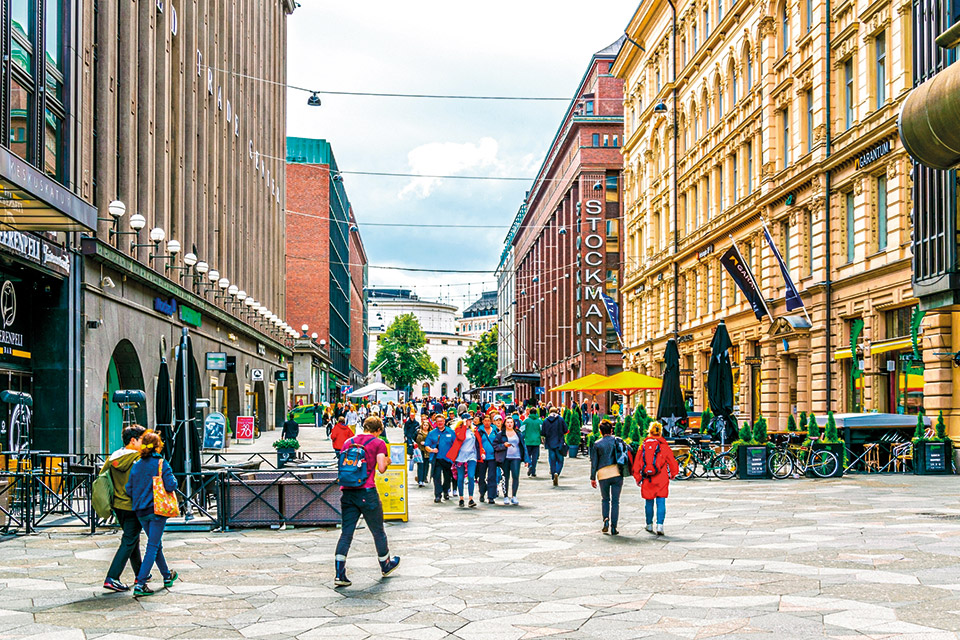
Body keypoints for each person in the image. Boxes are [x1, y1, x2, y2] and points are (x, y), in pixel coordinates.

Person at [334, 416, 400, 587]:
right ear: (378, 430)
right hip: (367, 491)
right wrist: (387, 461)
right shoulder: (378, 443)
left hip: (347, 492)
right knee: (378, 531)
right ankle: (385, 564)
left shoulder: (349, 442)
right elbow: (381, 468)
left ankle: (339, 573)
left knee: (346, 533)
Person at [125, 430, 179, 597]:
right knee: (153, 546)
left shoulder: (137, 465)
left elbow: (128, 489)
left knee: (156, 545)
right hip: (157, 510)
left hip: (141, 511)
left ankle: (166, 575)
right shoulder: (161, 463)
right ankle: (141, 583)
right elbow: (171, 485)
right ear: (158, 446)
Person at [102, 425, 146, 592]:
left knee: (132, 539)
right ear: (133, 440)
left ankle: (140, 573)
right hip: (134, 505)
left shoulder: (113, 457)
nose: (144, 444)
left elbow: (103, 478)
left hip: (118, 505)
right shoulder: (138, 459)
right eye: (142, 440)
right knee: (129, 540)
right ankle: (112, 577)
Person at [633, 421, 679, 536]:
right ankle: (660, 525)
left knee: (648, 501)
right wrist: (673, 473)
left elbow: (637, 463)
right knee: (661, 501)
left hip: (648, 478)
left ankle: (649, 524)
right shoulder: (664, 446)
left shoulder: (642, 446)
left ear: (650, 431)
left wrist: (637, 477)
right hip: (661, 478)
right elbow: (672, 462)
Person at [590, 419, 624, 535]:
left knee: (605, 499)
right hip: (616, 473)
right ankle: (614, 527)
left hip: (603, 474)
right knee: (615, 501)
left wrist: (592, 477)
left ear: (600, 431)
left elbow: (594, 462)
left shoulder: (597, 444)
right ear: (611, 430)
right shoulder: (617, 441)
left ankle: (605, 519)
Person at [447, 417, 484, 507]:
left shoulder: (474, 430)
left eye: (470, 420)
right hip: (460, 457)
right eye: (468, 420)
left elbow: (479, 443)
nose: (470, 422)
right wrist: (463, 426)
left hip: (472, 456)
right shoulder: (458, 430)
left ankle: (471, 498)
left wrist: (482, 452)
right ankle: (461, 498)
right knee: (460, 478)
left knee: (471, 476)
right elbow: (461, 437)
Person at [493, 416, 527, 505]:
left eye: (511, 422)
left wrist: (526, 459)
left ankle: (514, 496)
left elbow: (523, 446)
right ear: (505, 423)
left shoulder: (518, 433)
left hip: (516, 457)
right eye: (508, 422)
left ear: (514, 423)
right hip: (505, 458)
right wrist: (503, 445)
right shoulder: (501, 434)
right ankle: (506, 496)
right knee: (505, 477)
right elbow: (495, 445)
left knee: (515, 476)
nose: (509, 424)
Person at [422, 413, 456, 503]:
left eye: (441, 421)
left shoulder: (451, 432)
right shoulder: (432, 433)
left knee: (447, 477)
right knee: (436, 477)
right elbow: (426, 446)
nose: (440, 423)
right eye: (438, 421)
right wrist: (432, 450)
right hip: (436, 459)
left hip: (448, 459)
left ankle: (446, 491)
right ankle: (438, 495)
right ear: (435, 423)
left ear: (444, 421)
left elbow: (456, 445)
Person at [541, 406, 568, 486]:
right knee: (560, 460)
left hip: (550, 443)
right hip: (559, 443)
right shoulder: (560, 419)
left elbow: (543, 432)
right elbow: (565, 430)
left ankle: (553, 475)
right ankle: (557, 472)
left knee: (552, 460)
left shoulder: (546, 420)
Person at [476, 414, 499, 503]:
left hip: (492, 457)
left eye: (488, 421)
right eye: (485, 421)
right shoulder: (479, 431)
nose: (487, 423)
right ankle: (482, 492)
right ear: (483, 422)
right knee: (481, 477)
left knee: (492, 476)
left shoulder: (495, 430)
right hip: (482, 457)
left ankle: (491, 496)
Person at [521, 409, 543, 477]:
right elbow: (542, 430)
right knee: (535, 457)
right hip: (536, 441)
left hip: (528, 441)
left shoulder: (526, 421)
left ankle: (529, 465)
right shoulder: (539, 421)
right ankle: (533, 471)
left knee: (528, 456)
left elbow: (522, 430)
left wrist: (523, 438)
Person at [414, 416, 432, 487]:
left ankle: (424, 478)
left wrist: (426, 443)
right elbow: (413, 438)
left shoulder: (430, 433)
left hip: (427, 450)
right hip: (420, 450)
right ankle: (420, 480)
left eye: (427, 425)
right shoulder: (418, 431)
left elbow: (433, 441)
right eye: (424, 425)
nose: (425, 426)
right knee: (420, 465)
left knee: (426, 465)